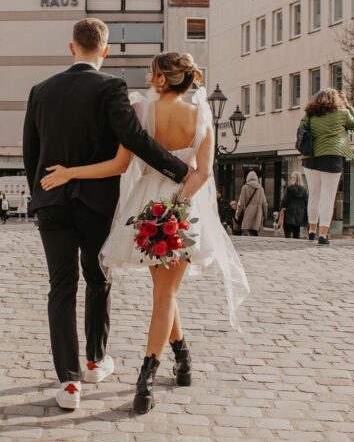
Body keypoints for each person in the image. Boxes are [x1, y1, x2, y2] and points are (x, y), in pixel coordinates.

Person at [39, 45, 249, 414]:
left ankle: (147, 376)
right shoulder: (202, 113)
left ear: (161, 76)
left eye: (152, 71)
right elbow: (203, 171)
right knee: (164, 291)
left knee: (164, 291)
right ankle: (180, 356)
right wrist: (178, 204)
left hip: (148, 205)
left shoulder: (140, 109)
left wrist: (72, 172)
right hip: (187, 207)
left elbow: (120, 163)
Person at [23, 19, 193, 411]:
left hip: (52, 200)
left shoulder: (40, 92)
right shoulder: (111, 87)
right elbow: (134, 139)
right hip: (96, 204)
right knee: (98, 277)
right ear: (106, 50)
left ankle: (68, 383)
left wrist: (39, 197)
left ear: (72, 48)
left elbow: (32, 152)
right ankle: (96, 362)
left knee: (61, 288)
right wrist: (180, 171)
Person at [301, 88, 354, 245]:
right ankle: (323, 234)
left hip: (311, 157)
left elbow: (301, 129)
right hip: (332, 157)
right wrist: (347, 105)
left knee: (313, 195)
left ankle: (312, 231)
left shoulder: (310, 114)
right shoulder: (342, 113)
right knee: (328, 196)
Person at [235, 172, 268, 236]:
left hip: (248, 212)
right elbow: (264, 203)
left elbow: (241, 203)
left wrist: (237, 213)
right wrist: (265, 214)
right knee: (254, 231)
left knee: (247, 231)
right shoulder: (260, 188)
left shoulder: (245, 188)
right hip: (258, 213)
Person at [278, 171, 308, 239]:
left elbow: (284, 201)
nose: (291, 179)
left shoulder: (289, 188)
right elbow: (306, 203)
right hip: (299, 215)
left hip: (289, 213)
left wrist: (281, 209)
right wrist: (305, 217)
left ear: (294, 179)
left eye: (292, 177)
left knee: (287, 234)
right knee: (296, 234)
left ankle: (288, 247)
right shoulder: (304, 190)